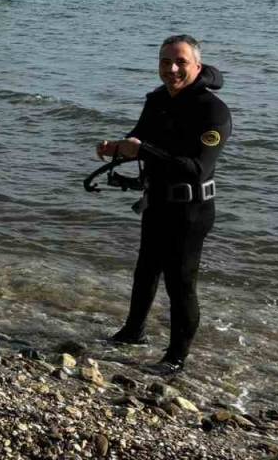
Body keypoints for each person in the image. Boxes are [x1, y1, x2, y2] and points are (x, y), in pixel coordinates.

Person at [95, 34, 231, 375]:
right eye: (164, 62)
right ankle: (132, 332)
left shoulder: (213, 111)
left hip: (191, 210)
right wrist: (115, 147)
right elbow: (139, 138)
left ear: (197, 66)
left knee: (180, 282)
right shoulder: (157, 100)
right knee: (146, 270)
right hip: (156, 202)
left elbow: (197, 168)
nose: (171, 69)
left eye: (180, 62)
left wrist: (141, 150)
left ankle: (175, 358)